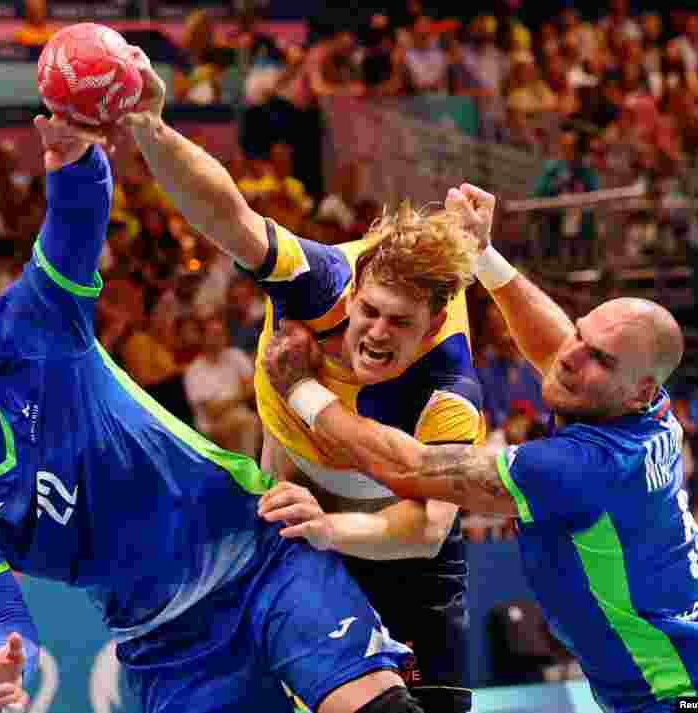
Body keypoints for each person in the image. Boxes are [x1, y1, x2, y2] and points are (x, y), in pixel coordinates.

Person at [0, 121, 426, 713]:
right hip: (165, 641)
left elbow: (73, 227)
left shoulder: (29, 334)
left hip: (258, 555)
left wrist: (75, 159)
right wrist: (1, 650)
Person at [259, 183, 698, 712]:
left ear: (635, 385)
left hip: (678, 697)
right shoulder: (647, 408)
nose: (571, 358)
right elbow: (560, 350)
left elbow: (409, 465)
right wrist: (486, 257)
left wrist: (301, 390)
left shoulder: (580, 469)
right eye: (581, 337)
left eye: (599, 358)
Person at [117, 48, 482, 711]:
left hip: (402, 556)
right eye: (367, 310)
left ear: (430, 327)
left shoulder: (450, 389)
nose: (372, 331)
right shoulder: (320, 284)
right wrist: (151, 129)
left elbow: (428, 526)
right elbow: (228, 215)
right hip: (295, 508)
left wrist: (330, 526)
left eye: (397, 324)